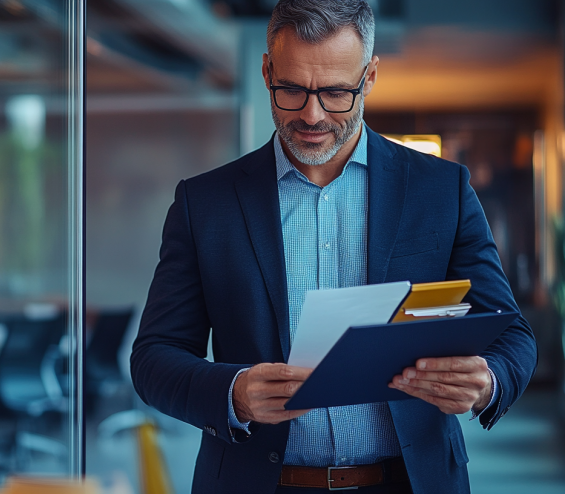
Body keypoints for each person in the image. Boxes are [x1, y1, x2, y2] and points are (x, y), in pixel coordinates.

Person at [130, 1, 537, 493]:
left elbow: (511, 332)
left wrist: (487, 380)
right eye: (292, 89)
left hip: (411, 482)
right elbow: (154, 356)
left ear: (369, 77)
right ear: (266, 71)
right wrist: (233, 392)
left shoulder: (441, 189)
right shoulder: (205, 204)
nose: (312, 114)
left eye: (336, 92)